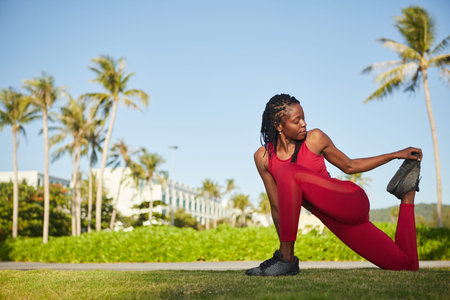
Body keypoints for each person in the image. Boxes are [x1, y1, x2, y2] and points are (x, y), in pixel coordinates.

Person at [246, 94, 422, 276]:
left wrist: (395, 155)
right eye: (297, 121)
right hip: (338, 221)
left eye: (304, 118)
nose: (304, 124)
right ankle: (407, 195)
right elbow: (277, 209)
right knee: (406, 265)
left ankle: (286, 260)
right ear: (279, 125)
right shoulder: (263, 157)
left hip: (349, 200)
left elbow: (350, 165)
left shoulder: (314, 138)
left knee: (287, 171)